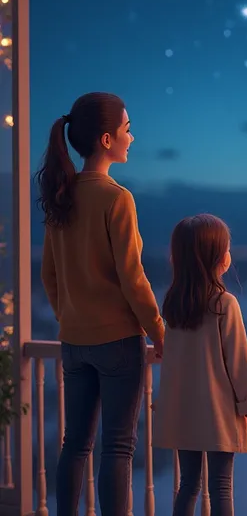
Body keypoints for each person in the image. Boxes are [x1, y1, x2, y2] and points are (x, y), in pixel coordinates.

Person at [37, 92, 165, 516]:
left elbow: (49, 275)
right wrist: (158, 331)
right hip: (117, 343)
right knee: (117, 447)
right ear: (107, 139)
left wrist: (70, 317)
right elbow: (133, 278)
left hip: (74, 342)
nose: (133, 137)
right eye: (128, 130)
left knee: (74, 443)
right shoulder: (116, 198)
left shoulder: (63, 195)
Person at [153, 214, 247, 516]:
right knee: (221, 486)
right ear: (216, 257)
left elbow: (173, 361)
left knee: (188, 483)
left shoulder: (173, 304)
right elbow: (238, 361)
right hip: (217, 412)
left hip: (182, 410)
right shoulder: (224, 304)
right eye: (226, 248)